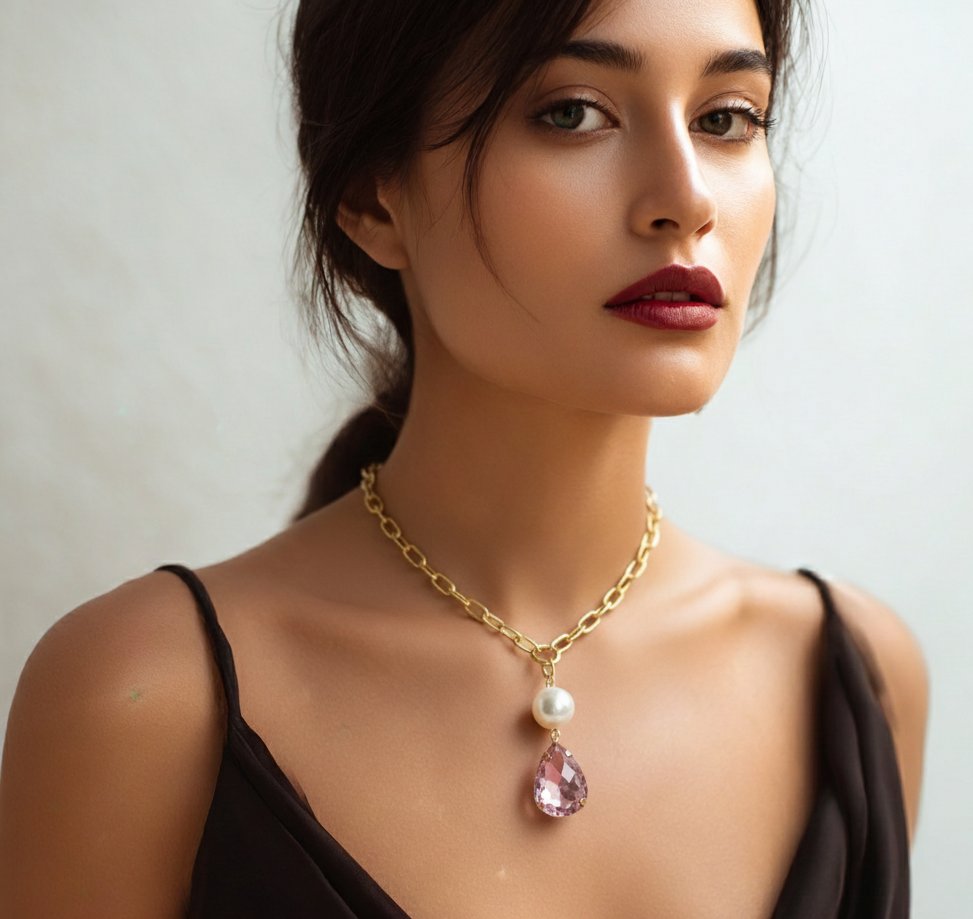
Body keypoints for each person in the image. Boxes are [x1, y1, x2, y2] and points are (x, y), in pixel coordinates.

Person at [0, 0, 928, 915]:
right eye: (572, 113)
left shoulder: (853, 677)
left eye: (726, 119)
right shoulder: (144, 700)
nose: (685, 200)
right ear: (372, 195)